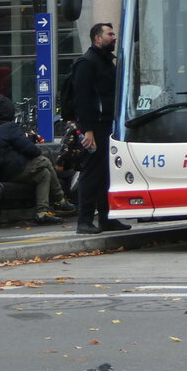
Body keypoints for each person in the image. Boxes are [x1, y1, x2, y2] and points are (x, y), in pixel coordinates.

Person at [0, 94, 75, 225]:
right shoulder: (9, 128)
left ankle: (42, 212)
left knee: (43, 174)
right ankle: (60, 199)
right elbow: (33, 151)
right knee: (43, 161)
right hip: (13, 172)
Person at [72, 22, 131, 235]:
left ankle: (107, 218)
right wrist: (87, 130)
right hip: (94, 128)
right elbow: (83, 98)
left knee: (107, 173)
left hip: (109, 125)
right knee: (91, 173)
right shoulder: (86, 63)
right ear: (98, 38)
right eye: (110, 34)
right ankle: (84, 221)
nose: (114, 37)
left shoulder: (106, 62)